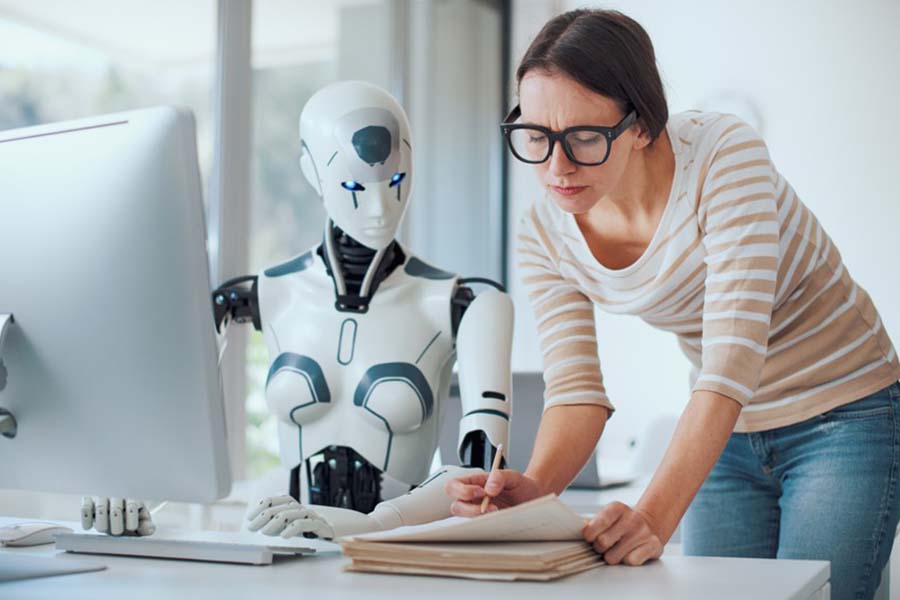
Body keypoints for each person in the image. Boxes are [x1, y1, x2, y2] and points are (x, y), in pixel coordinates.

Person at [444, 9, 900, 599]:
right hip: (729, 434)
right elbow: (577, 393)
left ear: (640, 124)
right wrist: (532, 494)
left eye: (583, 137)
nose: (556, 167)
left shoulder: (722, 154)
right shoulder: (545, 230)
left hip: (843, 412)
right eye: (535, 135)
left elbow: (733, 357)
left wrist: (653, 516)